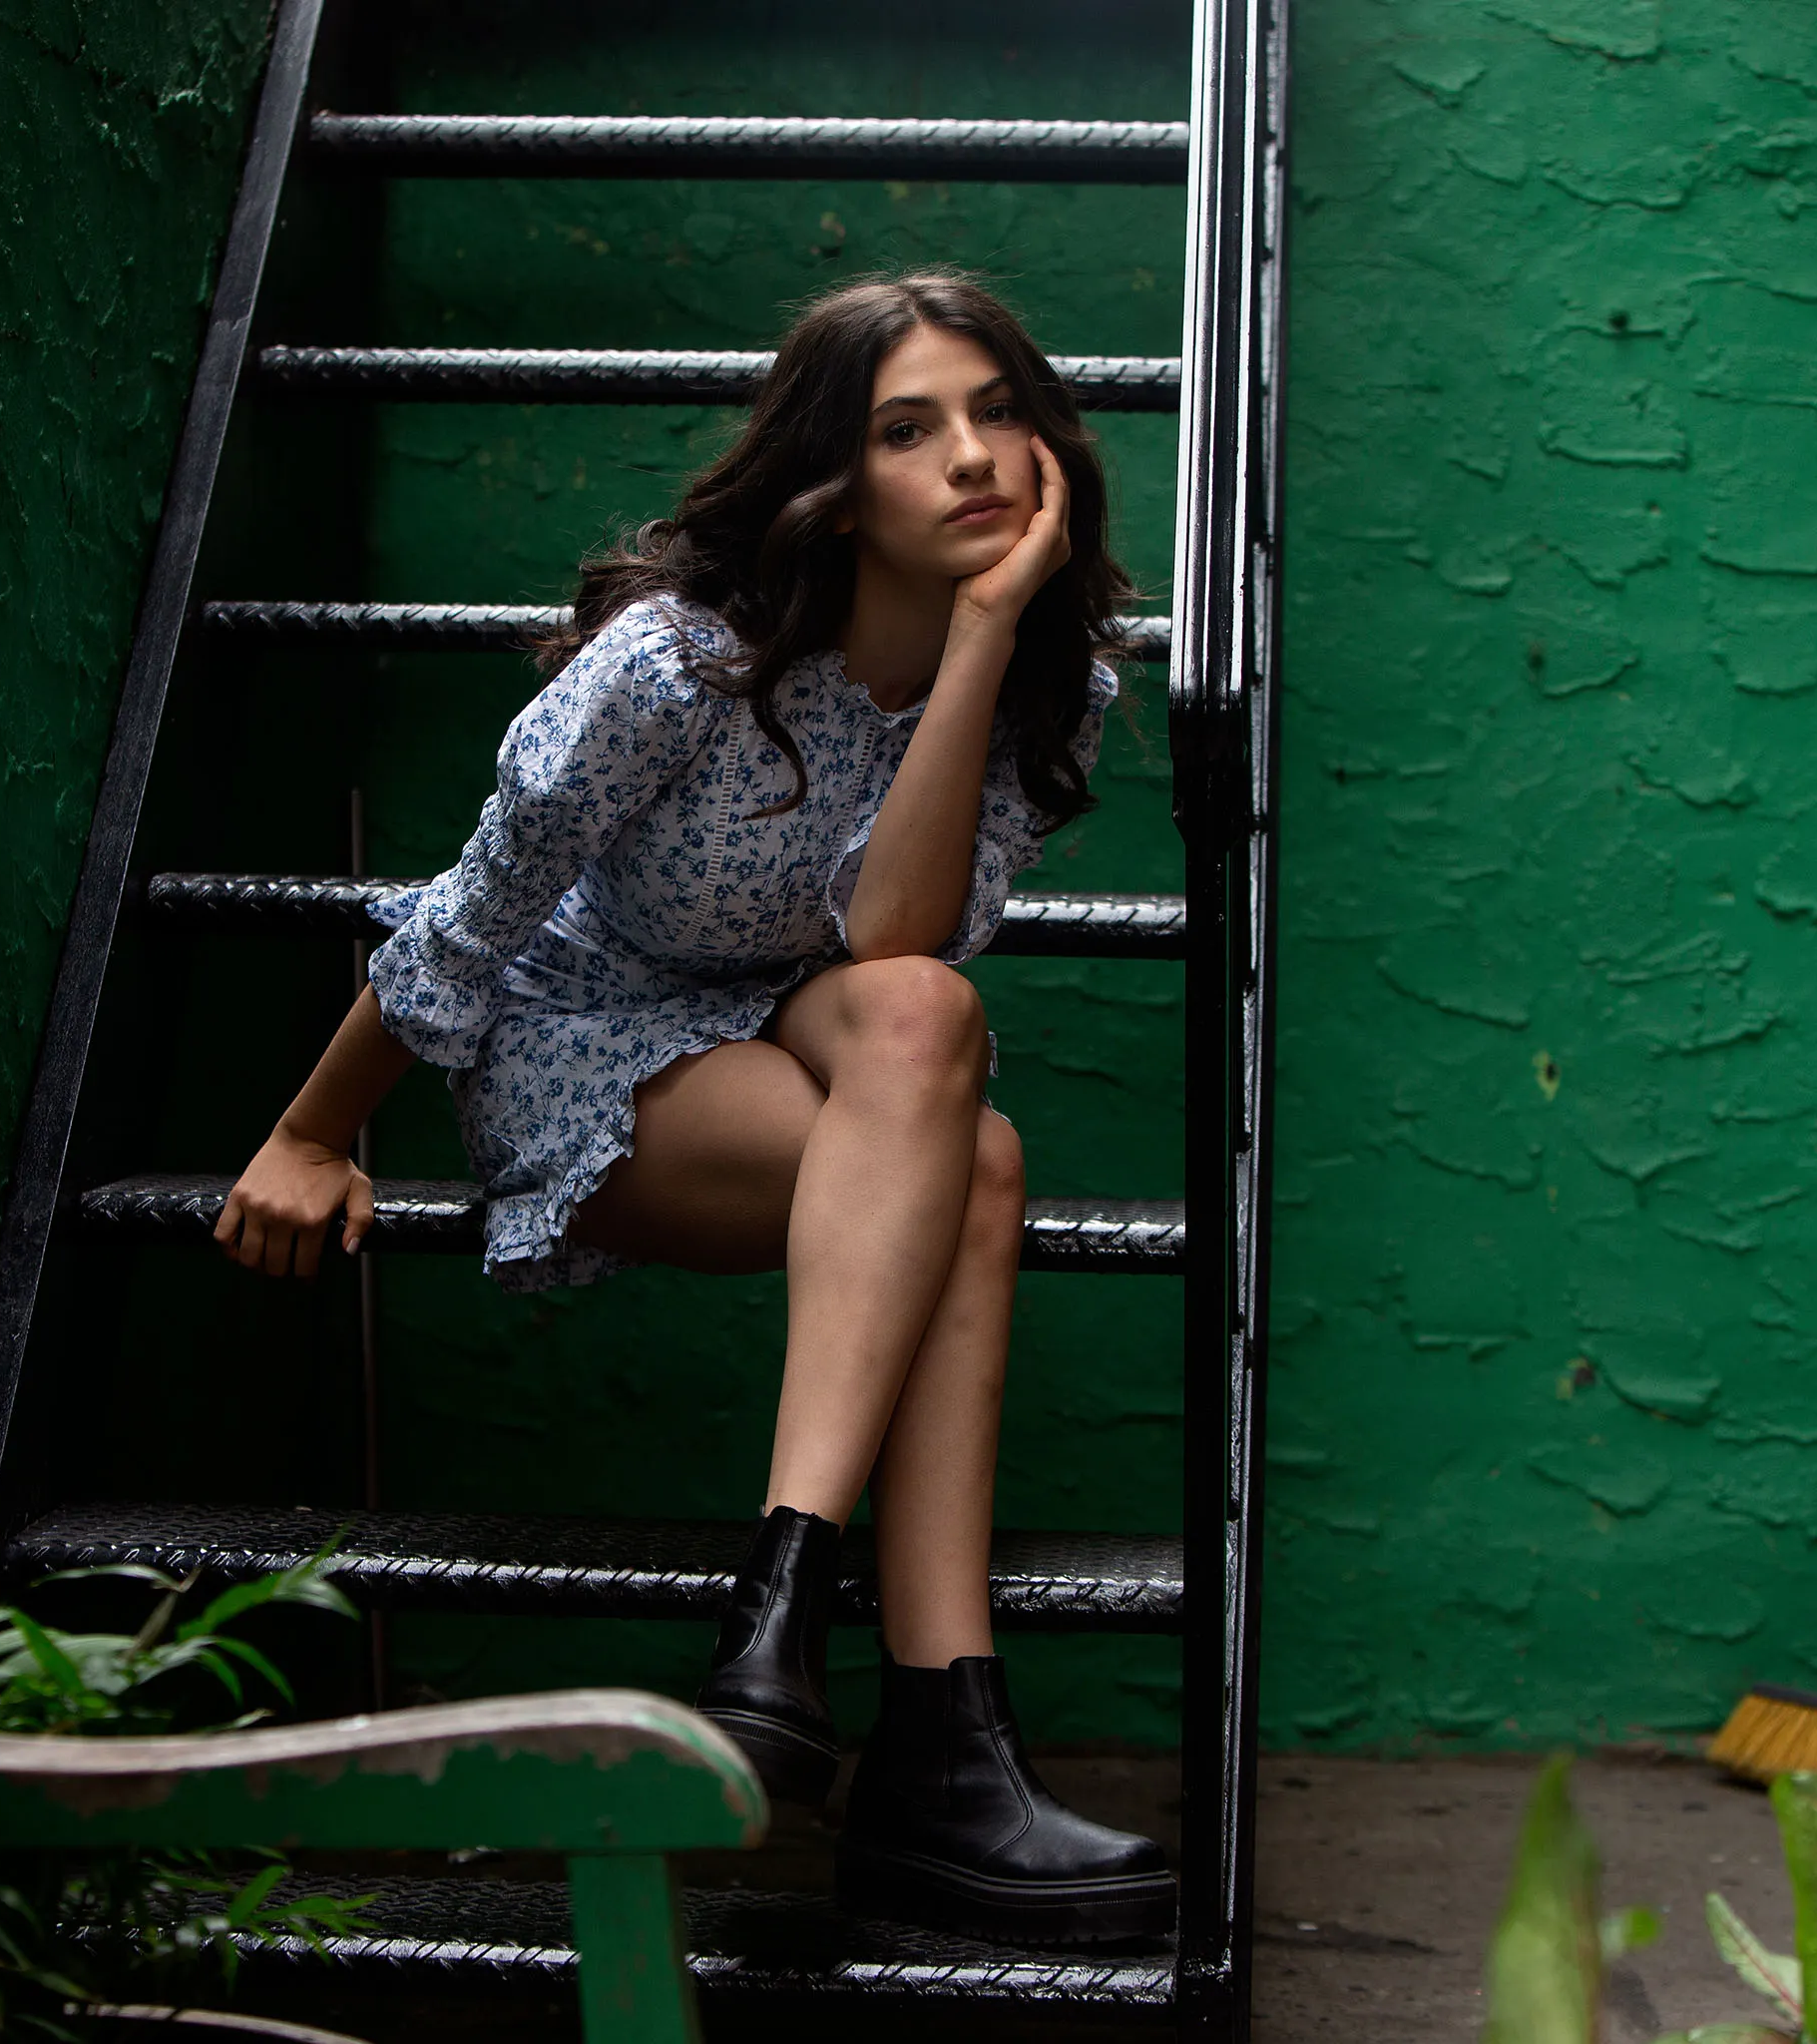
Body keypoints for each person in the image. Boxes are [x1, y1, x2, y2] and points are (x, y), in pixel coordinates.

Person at [215, 271, 1173, 1947]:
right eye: (909, 428)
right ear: (835, 480)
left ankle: (780, 1630)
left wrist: (978, 645)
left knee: (930, 1015)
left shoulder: (1044, 677)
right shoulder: (678, 667)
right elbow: (480, 908)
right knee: (977, 1172)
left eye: (998, 411)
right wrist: (312, 1129)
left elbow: (895, 940)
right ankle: (935, 1744)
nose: (973, 456)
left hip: (806, 1017)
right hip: (588, 1029)